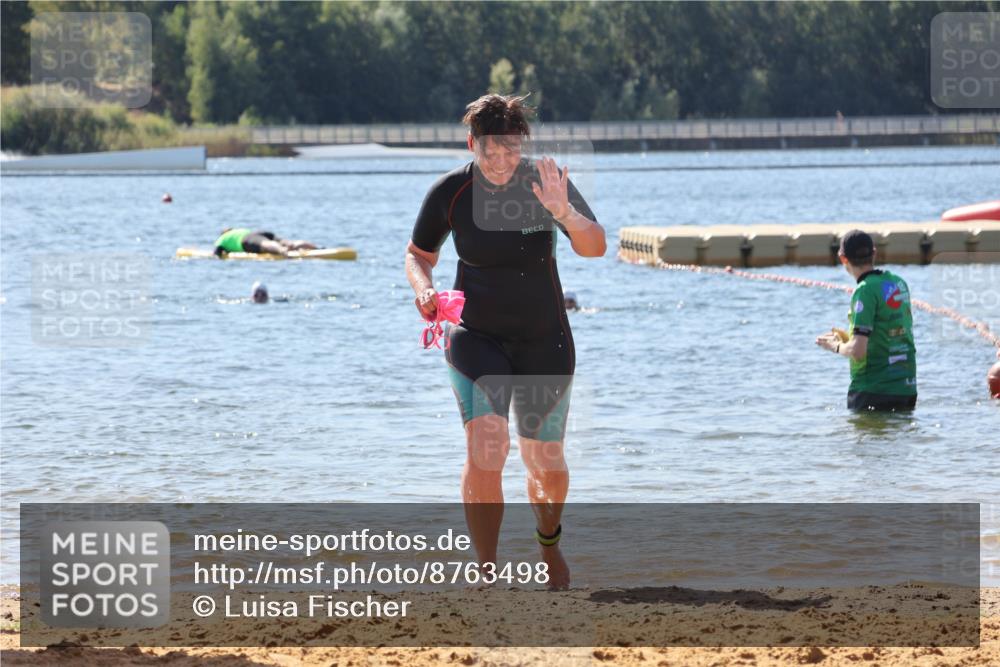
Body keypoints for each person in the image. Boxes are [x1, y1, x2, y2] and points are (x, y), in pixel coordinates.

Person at [404, 93, 606, 590]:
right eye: (489, 152)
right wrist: (424, 288)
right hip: (475, 336)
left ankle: (549, 544)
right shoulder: (450, 192)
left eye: (510, 151)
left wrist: (566, 212)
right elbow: (417, 254)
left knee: (547, 462)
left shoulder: (546, 182)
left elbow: (595, 247)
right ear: (472, 144)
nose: (499, 163)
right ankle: (486, 569)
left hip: (544, 339)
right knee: (485, 446)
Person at [816, 229, 917, 411]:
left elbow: (858, 351)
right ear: (874, 253)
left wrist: (835, 346)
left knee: (865, 437)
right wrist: (847, 338)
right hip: (906, 388)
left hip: (873, 390)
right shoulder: (898, 282)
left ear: (843, 259)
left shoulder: (864, 290)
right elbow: (887, 334)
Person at [213, 228, 317, 258]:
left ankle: (281, 250)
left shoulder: (221, 238)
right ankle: (317, 248)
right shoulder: (238, 230)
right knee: (288, 243)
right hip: (258, 232)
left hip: (246, 240)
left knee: (264, 244)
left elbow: (216, 253)